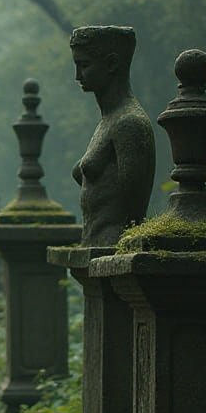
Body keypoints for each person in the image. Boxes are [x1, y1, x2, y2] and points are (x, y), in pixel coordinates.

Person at [69, 25, 156, 247]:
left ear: (111, 64)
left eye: (84, 65)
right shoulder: (108, 121)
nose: (77, 76)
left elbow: (135, 210)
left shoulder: (129, 124)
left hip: (112, 245)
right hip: (94, 243)